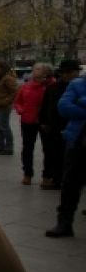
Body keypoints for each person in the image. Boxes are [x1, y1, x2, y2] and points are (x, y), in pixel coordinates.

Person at [47, 60, 86, 238]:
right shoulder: (77, 84)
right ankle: (64, 222)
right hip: (78, 141)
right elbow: (64, 107)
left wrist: (83, 102)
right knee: (70, 183)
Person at [40, 60, 79, 190]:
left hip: (75, 128)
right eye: (65, 73)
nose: (68, 75)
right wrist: (44, 122)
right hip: (54, 127)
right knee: (54, 154)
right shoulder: (53, 88)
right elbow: (45, 106)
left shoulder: (80, 88)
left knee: (73, 157)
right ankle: (56, 179)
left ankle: (70, 180)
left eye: (72, 72)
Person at [15, 63, 53, 185]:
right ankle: (27, 173)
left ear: (46, 72)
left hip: (45, 121)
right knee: (27, 148)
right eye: (34, 68)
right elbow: (18, 101)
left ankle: (47, 175)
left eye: (38, 69)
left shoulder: (51, 85)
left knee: (48, 148)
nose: (34, 71)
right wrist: (21, 110)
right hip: (28, 120)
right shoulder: (26, 86)